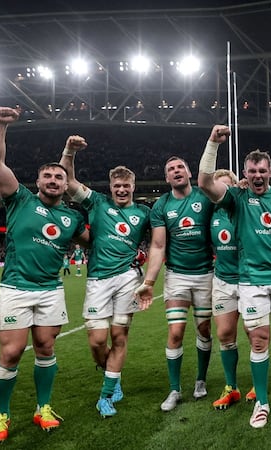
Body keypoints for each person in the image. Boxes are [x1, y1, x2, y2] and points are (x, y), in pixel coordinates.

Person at [0, 106, 89, 443]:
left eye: (59, 177)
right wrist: (0, 124)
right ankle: (2, 415)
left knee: (45, 347)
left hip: (50, 290)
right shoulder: (19, 200)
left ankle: (43, 407)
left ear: (65, 183)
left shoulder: (73, 219)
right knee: (12, 353)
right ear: (38, 181)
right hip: (16, 287)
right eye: (48, 176)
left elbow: (97, 241)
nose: (54, 180)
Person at [198, 125, 271, 428]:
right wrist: (212, 144)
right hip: (250, 282)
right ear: (245, 174)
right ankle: (261, 402)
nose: (257, 175)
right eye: (252, 171)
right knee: (259, 341)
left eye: (262, 170)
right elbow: (205, 182)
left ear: (270, 170)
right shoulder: (236, 198)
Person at [58, 139, 152, 418]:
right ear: (111, 187)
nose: (121, 190)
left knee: (119, 335)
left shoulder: (144, 213)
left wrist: (143, 258)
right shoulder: (96, 202)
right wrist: (70, 151)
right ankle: (112, 370)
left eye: (126, 186)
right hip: (98, 278)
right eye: (117, 186)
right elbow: (68, 179)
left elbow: (161, 240)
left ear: (133, 186)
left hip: (127, 279)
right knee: (97, 341)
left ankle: (107, 395)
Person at [134, 155, 215, 412]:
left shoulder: (205, 197)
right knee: (176, 332)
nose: (176, 171)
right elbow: (158, 246)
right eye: (171, 169)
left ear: (189, 172)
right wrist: (149, 281)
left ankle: (200, 380)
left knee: (203, 330)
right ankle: (174, 389)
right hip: (177, 275)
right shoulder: (161, 206)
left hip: (206, 274)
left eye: (180, 167)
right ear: (167, 178)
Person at [208, 169, 256, 409]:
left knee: (253, 333)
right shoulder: (211, 213)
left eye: (228, 188)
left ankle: (258, 384)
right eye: (219, 188)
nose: (223, 193)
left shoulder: (246, 208)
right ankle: (232, 387)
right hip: (223, 280)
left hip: (248, 279)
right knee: (225, 334)